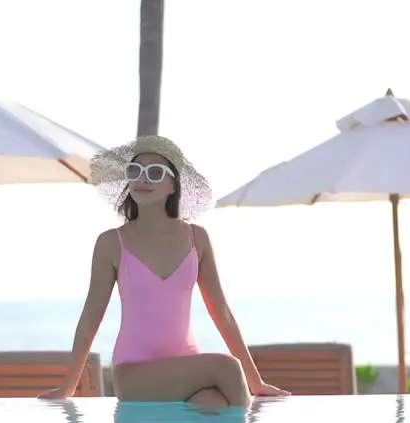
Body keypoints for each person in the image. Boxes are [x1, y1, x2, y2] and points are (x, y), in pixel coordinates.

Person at [39, 136, 288, 408]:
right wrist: (69, 386)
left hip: (187, 367)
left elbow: (223, 314)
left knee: (215, 405)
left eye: (155, 173)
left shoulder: (197, 238)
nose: (143, 179)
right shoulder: (111, 243)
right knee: (227, 368)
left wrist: (256, 382)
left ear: (173, 185)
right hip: (134, 373)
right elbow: (90, 317)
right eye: (135, 171)